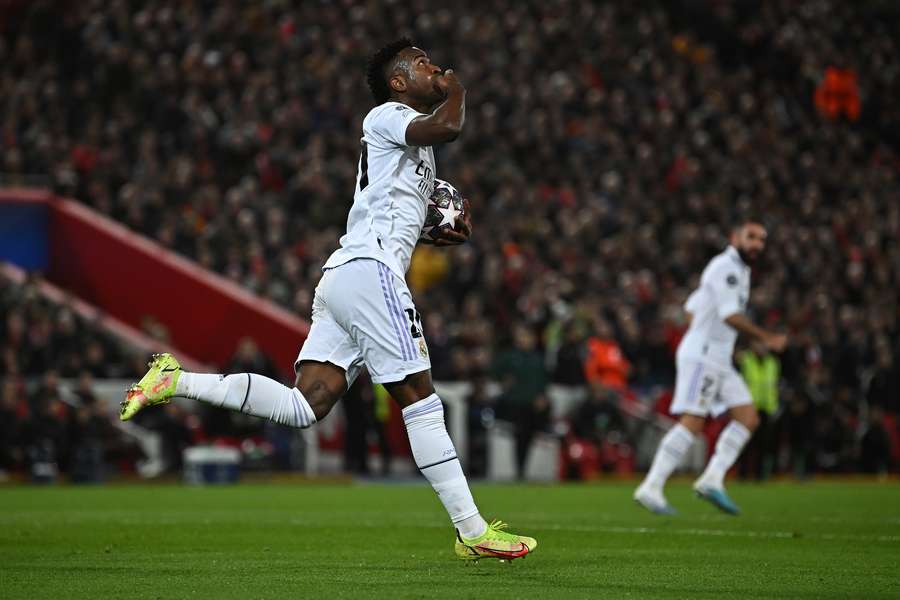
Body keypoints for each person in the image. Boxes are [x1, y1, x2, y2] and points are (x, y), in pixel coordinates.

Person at [119, 39, 536, 562]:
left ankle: (174, 380)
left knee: (304, 405)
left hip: (345, 276)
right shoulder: (388, 115)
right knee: (421, 400)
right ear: (399, 82)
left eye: (435, 63)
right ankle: (473, 532)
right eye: (422, 63)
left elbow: (404, 202)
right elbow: (450, 126)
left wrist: (439, 224)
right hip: (371, 272)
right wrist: (458, 88)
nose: (434, 68)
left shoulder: (413, 146)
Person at [634, 218, 788, 515]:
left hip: (717, 357)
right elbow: (729, 314)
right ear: (735, 237)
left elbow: (692, 308)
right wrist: (766, 337)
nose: (757, 244)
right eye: (751, 237)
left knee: (748, 416)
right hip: (704, 356)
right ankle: (651, 486)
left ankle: (712, 479)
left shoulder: (740, 271)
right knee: (693, 420)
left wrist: (708, 333)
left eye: (762, 239)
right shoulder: (725, 267)